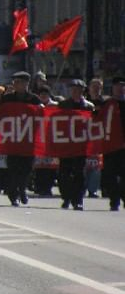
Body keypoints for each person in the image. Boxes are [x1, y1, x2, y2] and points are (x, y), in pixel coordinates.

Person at [0, 71, 43, 207]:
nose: (16, 85)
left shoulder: (34, 99)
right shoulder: (7, 99)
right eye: (15, 82)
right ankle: (14, 195)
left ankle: (22, 189)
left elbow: (41, 116)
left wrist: (42, 109)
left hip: (27, 141)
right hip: (12, 141)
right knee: (13, 168)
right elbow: (0, 112)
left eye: (19, 82)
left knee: (26, 169)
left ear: (26, 84)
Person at [57, 79, 94, 210]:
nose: (75, 92)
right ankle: (66, 197)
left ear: (82, 91)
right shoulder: (63, 105)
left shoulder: (88, 107)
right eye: (73, 89)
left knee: (79, 173)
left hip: (80, 146)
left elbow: (93, 126)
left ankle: (78, 200)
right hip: (66, 146)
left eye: (78, 90)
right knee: (64, 173)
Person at [105, 77, 125, 211]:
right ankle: (114, 200)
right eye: (118, 85)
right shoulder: (107, 104)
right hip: (110, 146)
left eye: (123, 85)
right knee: (110, 174)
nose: (120, 88)